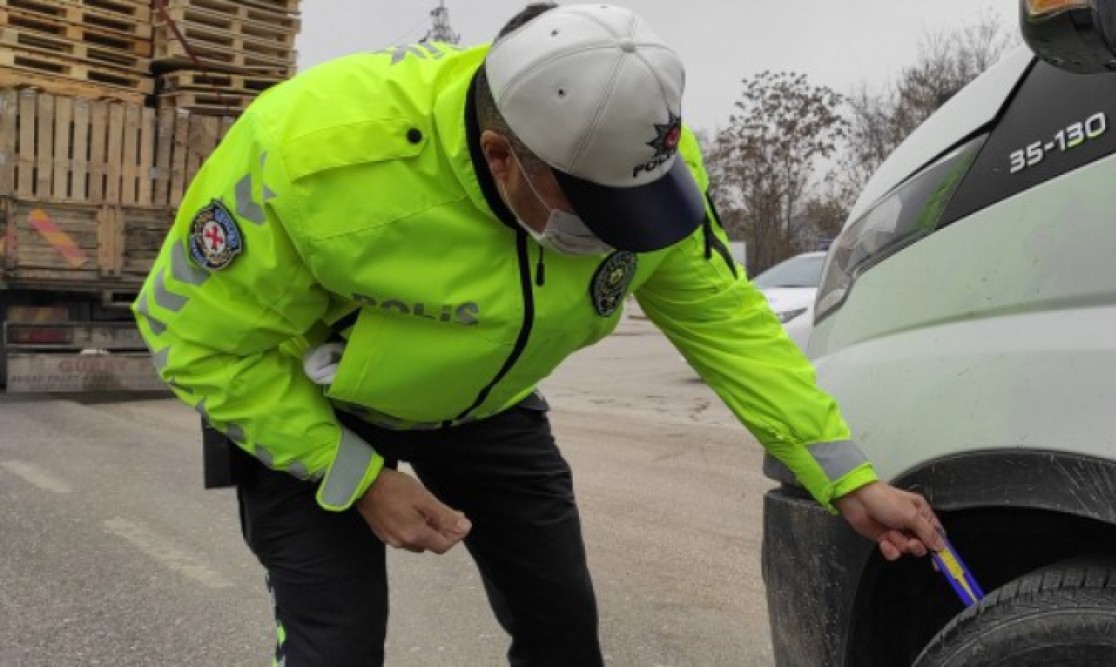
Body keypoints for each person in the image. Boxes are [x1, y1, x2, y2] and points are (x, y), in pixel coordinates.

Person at [133, 3, 946, 665]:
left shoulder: (643, 158)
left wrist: (846, 476)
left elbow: (730, 324)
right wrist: (360, 474)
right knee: (335, 644)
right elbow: (194, 340)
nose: (620, 236)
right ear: (502, 157)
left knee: (562, 630)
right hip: (314, 405)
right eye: (596, 219)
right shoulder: (309, 157)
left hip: (488, 404)